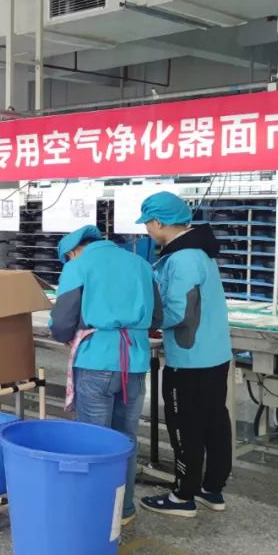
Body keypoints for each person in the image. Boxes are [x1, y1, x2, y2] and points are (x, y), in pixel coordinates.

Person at [48, 225, 162, 526]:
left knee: (94, 439)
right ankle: (124, 509)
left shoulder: (78, 267)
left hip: (96, 360)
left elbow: (62, 323)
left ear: (73, 251)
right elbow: (158, 316)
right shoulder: (141, 264)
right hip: (135, 362)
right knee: (126, 438)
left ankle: (96, 513)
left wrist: (69, 334)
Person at [136, 192, 233, 519]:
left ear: (157, 222)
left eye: (147, 223)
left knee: (185, 426)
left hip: (190, 361)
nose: (147, 230)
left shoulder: (181, 259)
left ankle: (182, 495)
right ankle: (211, 488)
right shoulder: (202, 252)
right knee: (214, 422)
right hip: (215, 354)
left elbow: (177, 312)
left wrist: (145, 320)